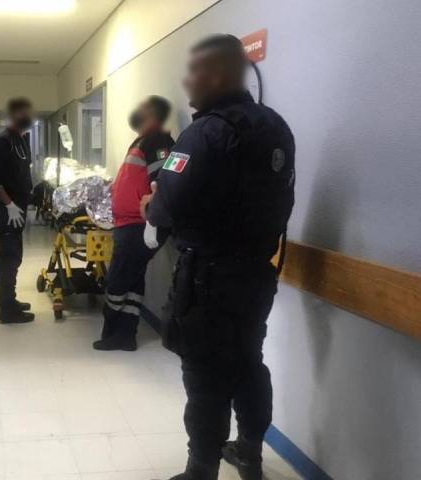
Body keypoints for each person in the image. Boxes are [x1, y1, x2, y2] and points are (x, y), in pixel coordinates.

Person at [141, 34, 295, 480]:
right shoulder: (276, 127)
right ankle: (249, 453)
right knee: (248, 362)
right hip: (256, 274)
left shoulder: (204, 133)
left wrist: (151, 204)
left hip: (207, 278)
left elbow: (166, 207)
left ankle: (201, 469)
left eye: (194, 71)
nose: (187, 81)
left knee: (205, 376)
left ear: (218, 73)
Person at [93, 96, 175, 351]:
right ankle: (126, 335)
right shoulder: (142, 140)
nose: (136, 110)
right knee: (132, 279)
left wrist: (153, 222)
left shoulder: (158, 141)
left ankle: (113, 332)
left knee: (117, 280)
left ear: (152, 114)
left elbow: (161, 183)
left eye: (142, 107)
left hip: (139, 226)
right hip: (130, 224)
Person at [0, 97, 36, 324]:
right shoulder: (2, 142)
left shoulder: (21, 140)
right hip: (9, 207)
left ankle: (5, 299)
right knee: (10, 254)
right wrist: (9, 204)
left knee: (13, 252)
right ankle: (7, 310)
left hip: (20, 205)